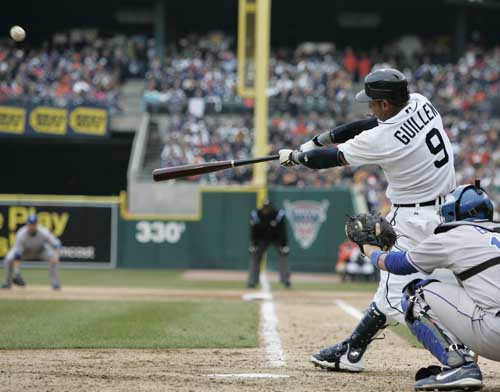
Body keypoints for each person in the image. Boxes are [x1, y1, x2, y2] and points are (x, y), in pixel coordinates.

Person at [279, 68, 458, 371]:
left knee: (396, 293)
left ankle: (456, 356)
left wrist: (297, 158)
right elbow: (366, 124)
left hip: (414, 218)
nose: (370, 106)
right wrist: (317, 140)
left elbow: (332, 160)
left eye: (373, 101)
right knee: (435, 284)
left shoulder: (384, 138)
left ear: (386, 104)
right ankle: (352, 350)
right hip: (448, 211)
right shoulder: (419, 101)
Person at [362, 182, 500, 391]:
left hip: (495, 333)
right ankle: (465, 358)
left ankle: (460, 366)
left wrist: (370, 250)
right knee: (469, 290)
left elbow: (399, 264)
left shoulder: (456, 235)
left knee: (415, 294)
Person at [2, 214, 63, 290]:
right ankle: (7, 283)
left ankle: (56, 283)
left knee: (53, 257)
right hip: (25, 252)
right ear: (27, 224)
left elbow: (58, 244)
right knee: (9, 258)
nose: (32, 226)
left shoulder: (43, 231)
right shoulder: (21, 234)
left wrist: (56, 256)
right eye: (30, 224)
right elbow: (17, 254)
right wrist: (17, 272)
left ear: (37, 224)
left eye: (33, 224)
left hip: (41, 251)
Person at [247, 199, 291, 288]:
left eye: (268, 208)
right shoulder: (256, 215)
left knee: (283, 255)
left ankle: (285, 280)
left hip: (276, 239)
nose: (266, 210)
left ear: (271, 208)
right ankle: (252, 281)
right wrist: (253, 244)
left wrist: (284, 245)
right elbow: (254, 231)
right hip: (261, 239)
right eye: (265, 208)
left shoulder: (278, 215)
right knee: (255, 256)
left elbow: (282, 231)